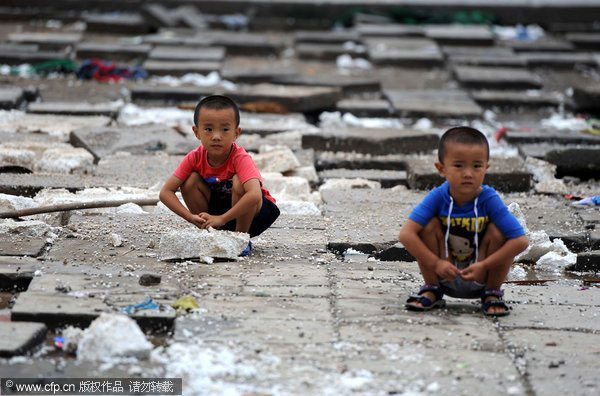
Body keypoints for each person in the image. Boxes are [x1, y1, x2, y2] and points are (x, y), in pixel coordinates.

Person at [398, 126, 528, 316]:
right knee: (428, 226)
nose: (468, 173)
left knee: (498, 231)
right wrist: (436, 264)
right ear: (441, 169)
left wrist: (484, 265)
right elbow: (406, 235)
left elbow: (520, 241)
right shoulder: (438, 196)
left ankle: (493, 293)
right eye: (459, 165)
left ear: (486, 168)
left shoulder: (489, 198)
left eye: (476, 166)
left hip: (482, 274)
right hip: (443, 272)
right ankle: (431, 288)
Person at [159, 95, 280, 256]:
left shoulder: (240, 158)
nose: (216, 136)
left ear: (236, 133)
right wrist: (191, 217)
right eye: (208, 129)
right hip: (217, 214)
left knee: (239, 182)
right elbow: (165, 193)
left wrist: (222, 218)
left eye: (225, 129)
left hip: (253, 216)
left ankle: (240, 239)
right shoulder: (194, 157)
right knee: (189, 181)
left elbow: (255, 195)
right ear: (196, 132)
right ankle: (209, 231)